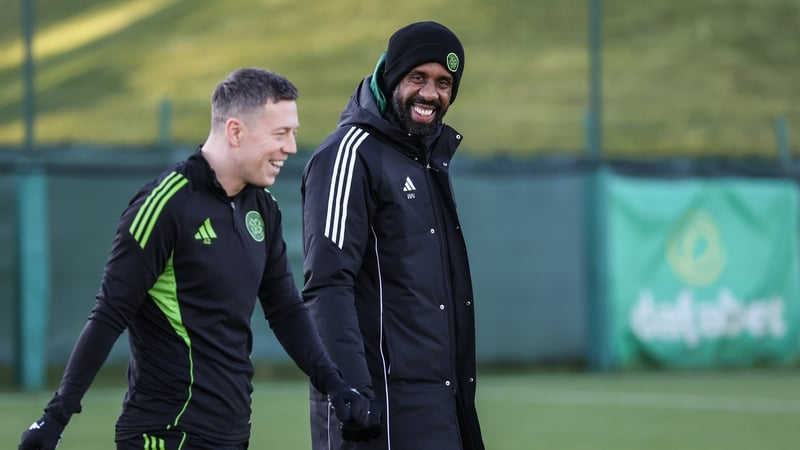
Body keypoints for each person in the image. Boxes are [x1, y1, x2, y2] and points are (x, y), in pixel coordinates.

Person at [18, 67, 377, 450]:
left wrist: (335, 385)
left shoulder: (263, 209)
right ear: (235, 131)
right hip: (165, 435)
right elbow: (108, 315)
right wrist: (55, 418)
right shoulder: (166, 205)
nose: (290, 147)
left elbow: (285, 310)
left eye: (293, 133)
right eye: (280, 133)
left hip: (232, 435)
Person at [301, 21, 485, 450]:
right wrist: (353, 395)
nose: (430, 94)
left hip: (438, 410)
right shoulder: (349, 154)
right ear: (391, 76)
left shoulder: (427, 158)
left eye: (443, 83)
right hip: (376, 413)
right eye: (418, 77)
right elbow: (327, 285)